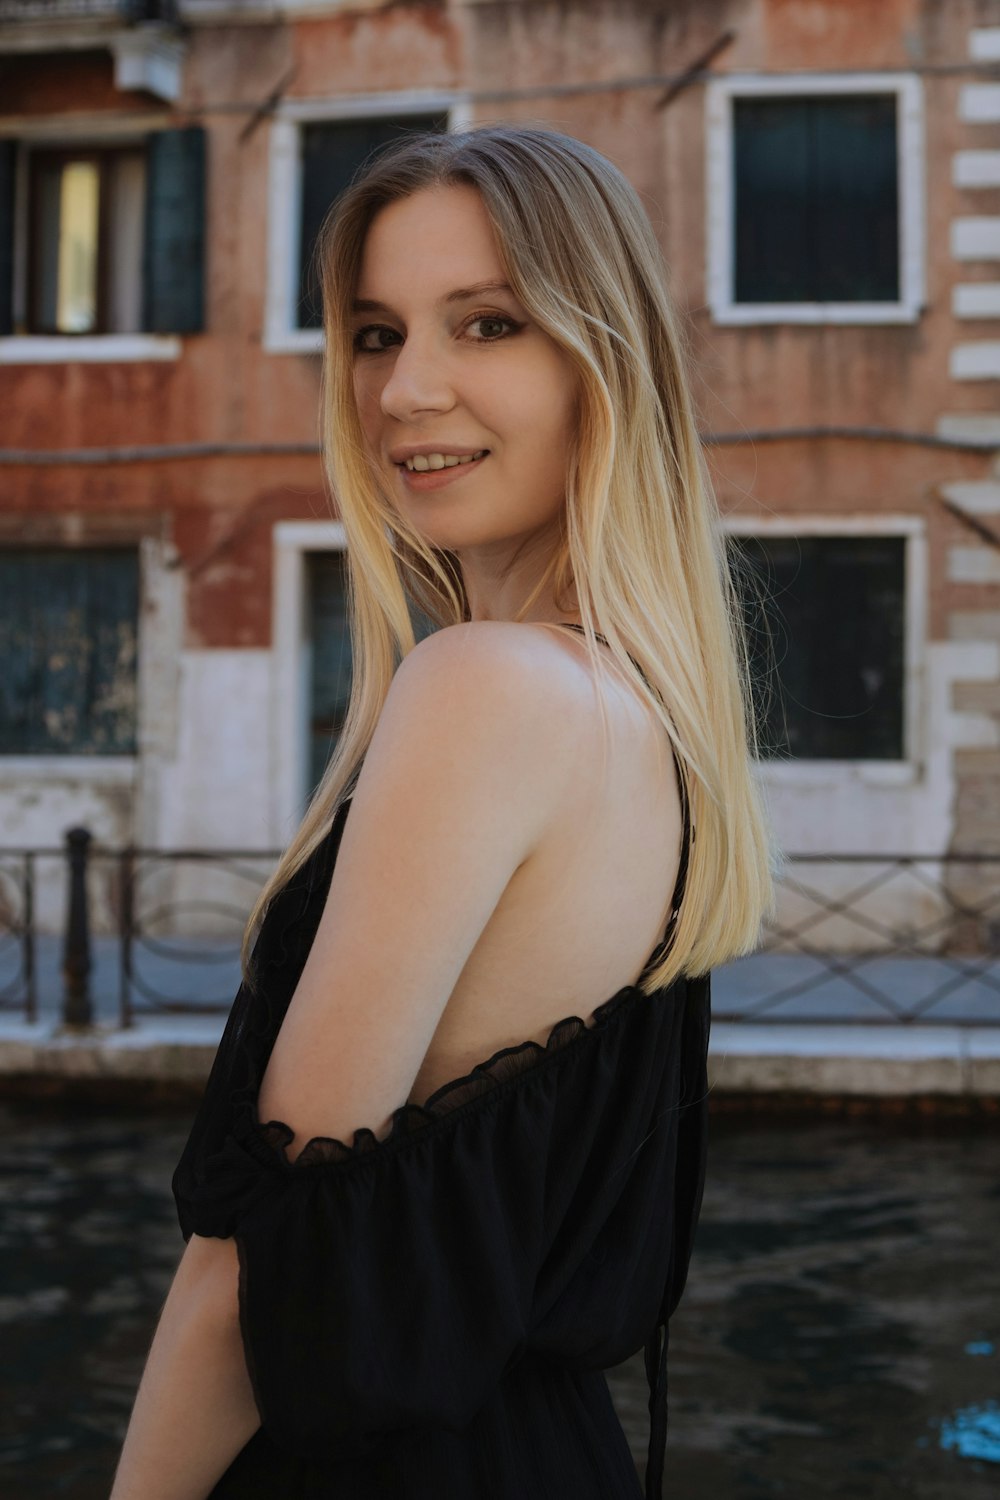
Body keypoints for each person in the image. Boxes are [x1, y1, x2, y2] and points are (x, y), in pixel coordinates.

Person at [110, 123, 777, 1500]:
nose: (409, 389)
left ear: (607, 359)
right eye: (371, 333)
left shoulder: (485, 687)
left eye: (486, 324)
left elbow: (255, 1269)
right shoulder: (643, 722)